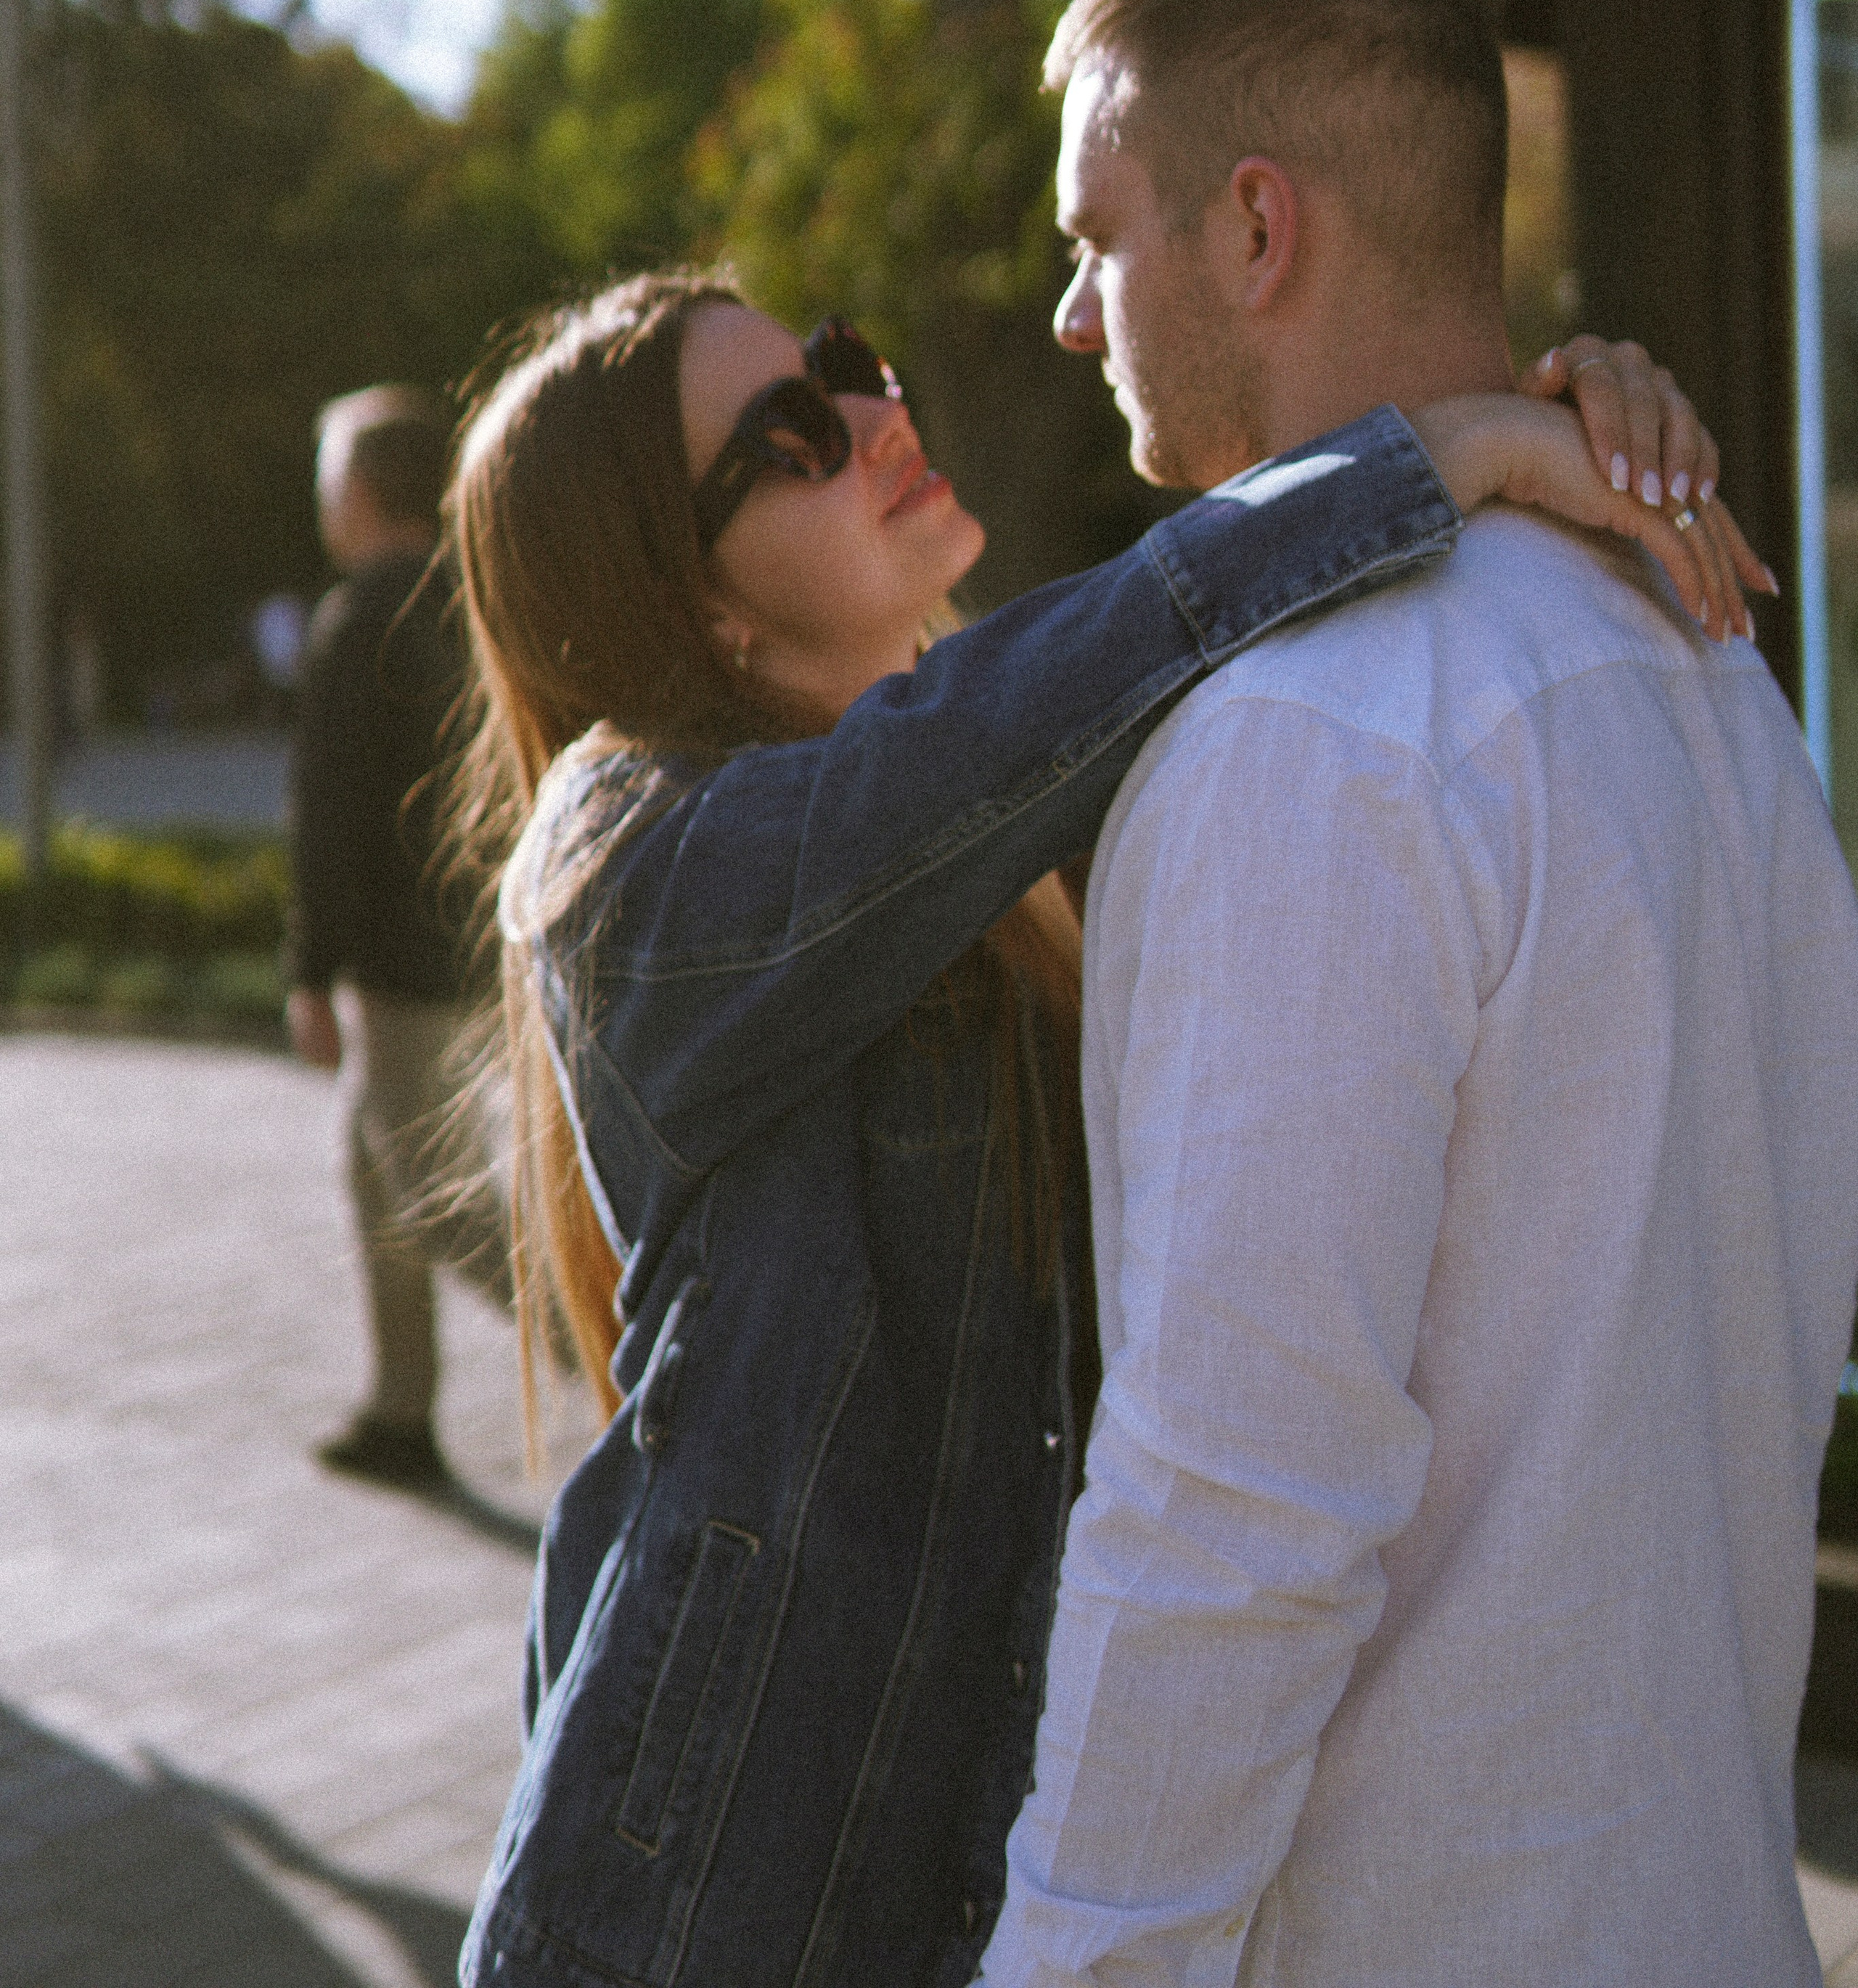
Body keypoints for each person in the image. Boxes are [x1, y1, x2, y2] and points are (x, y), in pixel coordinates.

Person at [446, 258, 1751, 1988]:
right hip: (699, 1916)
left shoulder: (1003, 817)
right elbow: (1019, 713)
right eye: (786, 432)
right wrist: (1433, 451)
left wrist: (1551, 412)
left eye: (845, 359)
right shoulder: (631, 872)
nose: (869, 415)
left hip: (943, 1886)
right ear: (691, 611)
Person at [977, 0, 1858, 1987]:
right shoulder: (1710, 661)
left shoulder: (1306, 733)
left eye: (1101, 238)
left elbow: (1230, 1508)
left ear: (1258, 231)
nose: (1076, 319)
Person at [287, 383, 512, 1490]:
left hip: (396, 962)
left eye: (330, 476)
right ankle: (400, 1407)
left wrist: (310, 972)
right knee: (380, 1172)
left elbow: (328, 818)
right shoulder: (466, 599)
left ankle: (630, 1357)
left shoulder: (358, 616)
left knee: (442, 1195)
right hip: (465, 944)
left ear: (363, 490)